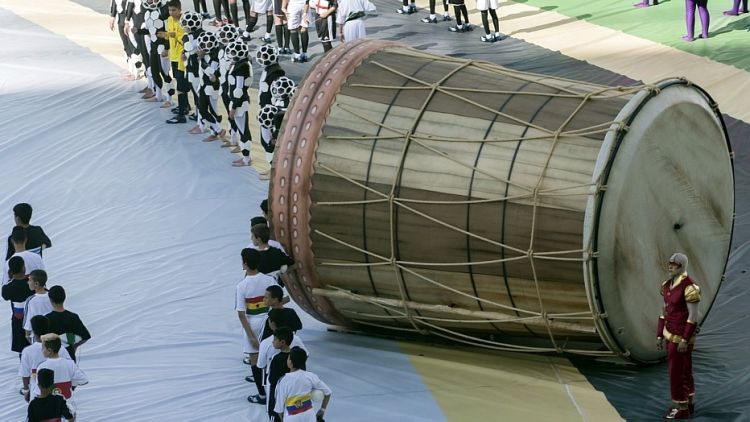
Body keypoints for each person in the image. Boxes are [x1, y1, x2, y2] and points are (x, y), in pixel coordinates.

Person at [657, 253, 700, 419]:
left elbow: (693, 316)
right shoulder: (667, 285)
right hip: (670, 333)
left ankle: (682, 408)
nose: (669, 267)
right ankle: (688, 404)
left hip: (681, 337)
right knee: (683, 369)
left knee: (677, 372)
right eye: (669, 264)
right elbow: (664, 311)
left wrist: (685, 339)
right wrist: (660, 334)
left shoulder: (690, 287)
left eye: (673, 265)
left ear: (681, 267)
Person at [237, 248, 279, 403]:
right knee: (271, 359)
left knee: (255, 361)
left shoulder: (241, 286)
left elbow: (241, 314)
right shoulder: (270, 280)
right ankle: (273, 392)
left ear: (245, 264)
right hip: (269, 322)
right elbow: (280, 300)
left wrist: (251, 337)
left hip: (252, 325)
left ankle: (262, 395)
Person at [20, 315, 72, 402]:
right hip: (59, 391)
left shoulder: (27, 351)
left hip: (37, 393)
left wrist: (26, 390)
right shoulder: (60, 348)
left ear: (33, 331)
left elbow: (25, 374)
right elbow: (70, 368)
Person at [35, 334, 89, 416]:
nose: (41, 350)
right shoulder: (69, 363)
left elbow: (39, 388)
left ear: (49, 350)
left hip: (50, 405)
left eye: (43, 348)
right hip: (68, 403)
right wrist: (72, 383)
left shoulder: (41, 366)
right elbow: (83, 380)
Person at [274, 347, 332, 422]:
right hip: (309, 416)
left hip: (291, 417)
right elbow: (328, 392)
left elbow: (279, 409)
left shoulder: (284, 380)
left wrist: (283, 420)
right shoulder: (310, 376)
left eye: (288, 358)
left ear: (290, 363)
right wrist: (322, 409)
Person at [225, 39, 255, 167]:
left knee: (244, 131)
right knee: (243, 130)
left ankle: (246, 159)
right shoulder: (242, 64)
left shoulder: (241, 67)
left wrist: (234, 107)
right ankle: (245, 156)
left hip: (239, 103)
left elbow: (239, 88)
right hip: (238, 102)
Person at [46, 286, 91, 362]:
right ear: (64, 298)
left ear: (50, 300)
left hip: (52, 357)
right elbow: (85, 336)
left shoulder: (47, 319)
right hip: (69, 355)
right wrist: (74, 346)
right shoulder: (73, 317)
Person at [164, 0, 192, 124]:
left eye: (174, 10)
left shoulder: (184, 22)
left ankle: (181, 116)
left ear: (180, 10)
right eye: (170, 10)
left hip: (182, 59)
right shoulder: (169, 20)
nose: (171, 12)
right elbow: (170, 36)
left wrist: (173, 34)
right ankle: (185, 106)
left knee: (181, 86)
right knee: (178, 81)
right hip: (173, 57)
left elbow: (185, 39)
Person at [2, 257, 34, 354]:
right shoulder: (32, 282)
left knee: (23, 351)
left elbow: (5, 296)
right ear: (23, 268)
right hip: (34, 318)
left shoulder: (7, 287)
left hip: (18, 320)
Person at [267, 327, 294, 421]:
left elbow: (272, 380)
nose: (273, 342)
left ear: (282, 342)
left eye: (275, 339)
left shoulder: (277, 359)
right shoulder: (296, 355)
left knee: (276, 416)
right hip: (293, 394)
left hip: (278, 394)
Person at [23, 270, 54, 343]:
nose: (28, 282)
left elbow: (27, 324)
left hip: (38, 337)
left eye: (29, 280)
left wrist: (28, 336)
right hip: (53, 334)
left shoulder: (30, 301)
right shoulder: (52, 296)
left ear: (36, 283)